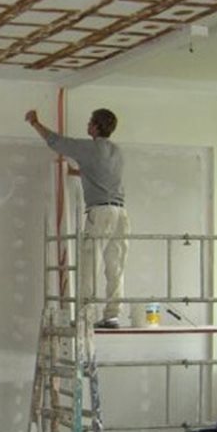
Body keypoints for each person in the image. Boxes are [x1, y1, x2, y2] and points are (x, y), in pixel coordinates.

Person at [25, 108, 130, 328]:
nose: (87, 125)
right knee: (115, 266)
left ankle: (85, 315)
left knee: (89, 264)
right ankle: (112, 315)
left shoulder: (89, 148)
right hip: (120, 213)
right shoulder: (116, 151)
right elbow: (100, 173)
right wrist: (77, 173)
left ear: (96, 127)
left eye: (90, 122)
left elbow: (56, 141)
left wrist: (35, 122)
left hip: (100, 213)